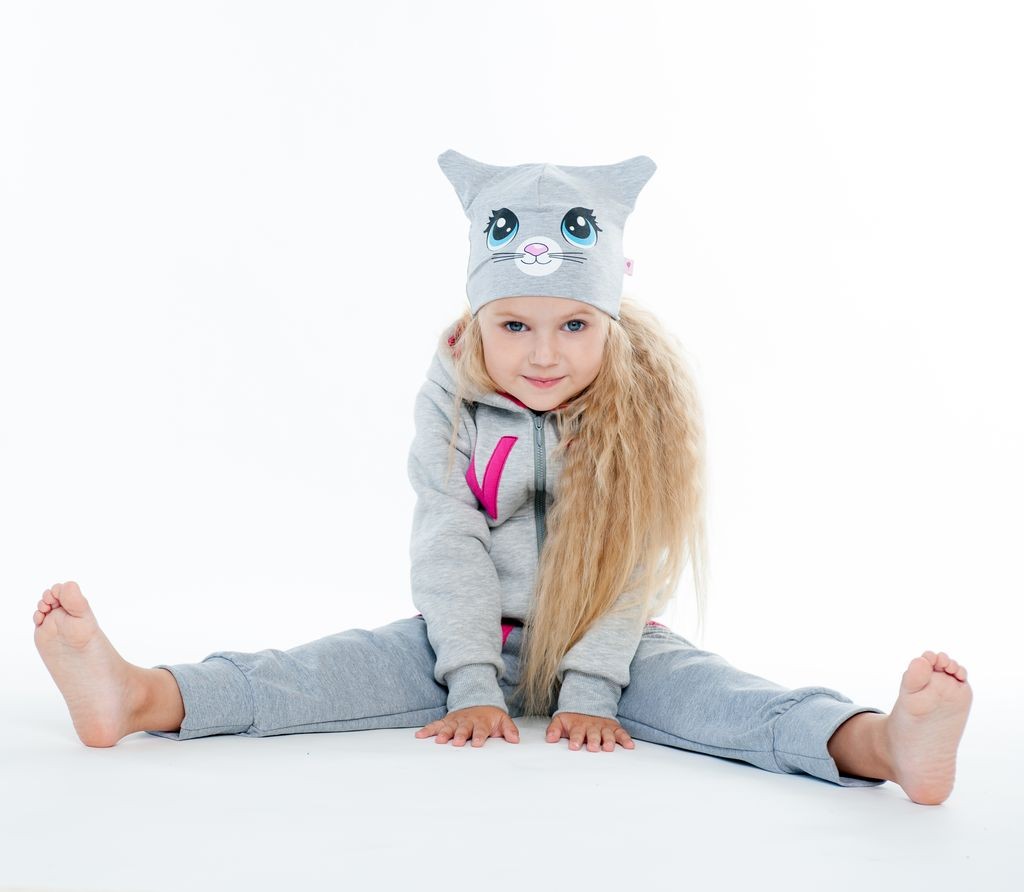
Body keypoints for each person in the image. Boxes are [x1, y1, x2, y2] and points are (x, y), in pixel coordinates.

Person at [32, 149, 972, 806]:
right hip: (461, 639)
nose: (544, 353)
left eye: (574, 325)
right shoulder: (451, 400)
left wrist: (591, 691)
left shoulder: (638, 409)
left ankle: (883, 744)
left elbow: (630, 565)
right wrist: (471, 679)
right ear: (477, 319)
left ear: (609, 320)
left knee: (730, 700)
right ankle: (139, 695)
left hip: (613, 649)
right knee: (312, 672)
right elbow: (448, 539)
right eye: (515, 325)